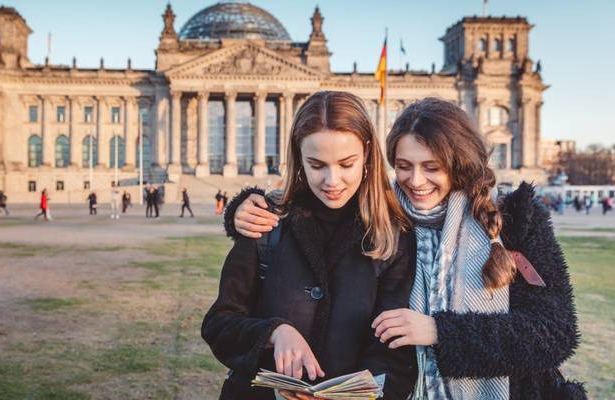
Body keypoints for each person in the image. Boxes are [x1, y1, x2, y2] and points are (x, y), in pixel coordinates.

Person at [228, 97, 583, 399]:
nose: (416, 181)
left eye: (432, 167)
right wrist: (243, 208)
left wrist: (440, 333)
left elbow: (555, 332)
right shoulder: (384, 214)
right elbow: (316, 208)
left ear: (459, 162)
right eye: (403, 166)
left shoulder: (514, 218)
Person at [202, 91, 417, 400]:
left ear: (367, 154)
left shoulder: (393, 234)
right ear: (298, 158)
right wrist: (273, 332)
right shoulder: (267, 220)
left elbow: (393, 350)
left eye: (346, 164)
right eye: (317, 165)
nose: (332, 180)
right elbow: (220, 323)